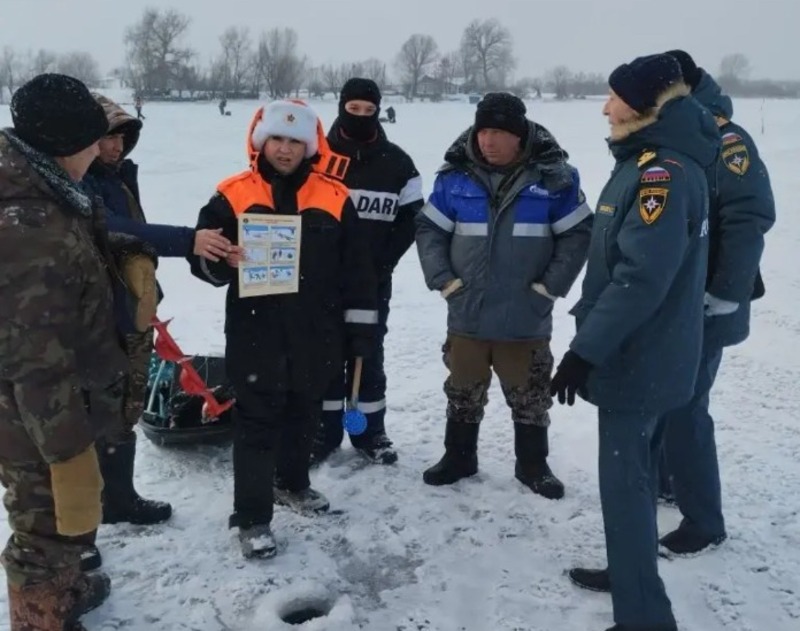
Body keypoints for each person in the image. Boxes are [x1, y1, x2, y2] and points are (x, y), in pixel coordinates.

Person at [550, 54, 719, 630]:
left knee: (625, 485)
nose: (605, 107)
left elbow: (640, 278)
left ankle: (644, 615)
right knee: (636, 480)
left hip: (638, 357)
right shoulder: (649, 161)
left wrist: (585, 351)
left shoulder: (660, 174)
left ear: (646, 105)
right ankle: (631, 572)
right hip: (646, 352)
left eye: (615, 97)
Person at [187, 100, 377, 559]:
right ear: (261, 141)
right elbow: (204, 261)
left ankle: (291, 483)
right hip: (255, 331)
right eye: (277, 139)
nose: (285, 150)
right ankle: (252, 517)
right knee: (256, 421)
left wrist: (360, 333)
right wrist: (221, 261)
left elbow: (358, 272)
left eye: (295, 141)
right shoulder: (231, 195)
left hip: (316, 332)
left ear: (310, 146)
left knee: (304, 412)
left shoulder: (335, 196)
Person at [77, 94, 235, 572]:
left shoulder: (118, 176)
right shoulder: (77, 182)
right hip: (90, 314)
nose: (115, 147)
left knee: (125, 404)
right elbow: (113, 228)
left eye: (122, 138)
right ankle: (76, 532)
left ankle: (119, 499)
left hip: (129, 306)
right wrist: (188, 239)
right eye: (107, 138)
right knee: (83, 417)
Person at [0, 74, 131, 631]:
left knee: (65, 522)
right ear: (64, 144)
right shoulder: (28, 227)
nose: (100, 152)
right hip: (35, 416)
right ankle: (39, 618)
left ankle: (65, 588)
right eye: (92, 142)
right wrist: (67, 451)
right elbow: (35, 360)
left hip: (55, 401)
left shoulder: (44, 189)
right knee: (45, 523)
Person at [415, 92, 592, 500]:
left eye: (498, 132)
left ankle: (532, 464)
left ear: (519, 135)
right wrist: (444, 281)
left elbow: (577, 235)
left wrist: (549, 288)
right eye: (483, 131)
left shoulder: (555, 179)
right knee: (462, 389)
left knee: (530, 394)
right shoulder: (455, 177)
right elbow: (429, 230)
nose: (488, 141)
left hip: (524, 315)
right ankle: (459, 456)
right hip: (467, 312)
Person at [654, 50, 776, 555]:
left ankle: (704, 521)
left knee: (685, 407)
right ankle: (668, 481)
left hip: (706, 301)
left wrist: (724, 293)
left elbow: (748, 218)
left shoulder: (726, 140)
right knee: (665, 397)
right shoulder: (676, 131)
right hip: (673, 298)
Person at [314, 78, 423, 465]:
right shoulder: (316, 158)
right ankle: (323, 432)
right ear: (341, 107)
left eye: (369, 110)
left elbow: (412, 220)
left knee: (367, 353)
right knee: (324, 353)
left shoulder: (398, 163)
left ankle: (367, 431)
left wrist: (382, 262)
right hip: (321, 281)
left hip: (373, 281)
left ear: (378, 111)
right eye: (353, 109)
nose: (360, 116)